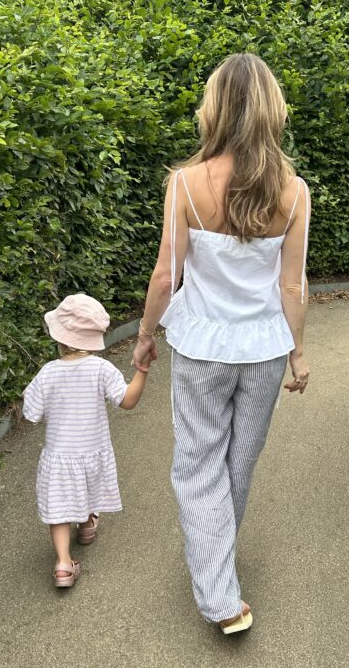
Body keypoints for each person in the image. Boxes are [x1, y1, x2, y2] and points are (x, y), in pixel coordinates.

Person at [132, 53, 311, 634]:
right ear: (270, 110)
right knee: (238, 462)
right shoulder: (293, 191)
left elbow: (166, 275)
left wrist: (142, 338)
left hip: (202, 346)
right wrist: (298, 353)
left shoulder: (185, 184)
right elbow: (292, 284)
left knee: (197, 464)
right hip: (262, 350)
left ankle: (220, 597)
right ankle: (220, 575)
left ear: (215, 108)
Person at [23, 293, 151, 588]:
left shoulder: (48, 373)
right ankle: (87, 526)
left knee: (59, 507)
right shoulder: (100, 369)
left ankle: (63, 564)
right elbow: (126, 401)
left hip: (59, 456)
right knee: (88, 486)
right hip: (92, 450)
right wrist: (142, 371)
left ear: (60, 337)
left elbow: (31, 414)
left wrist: (28, 397)